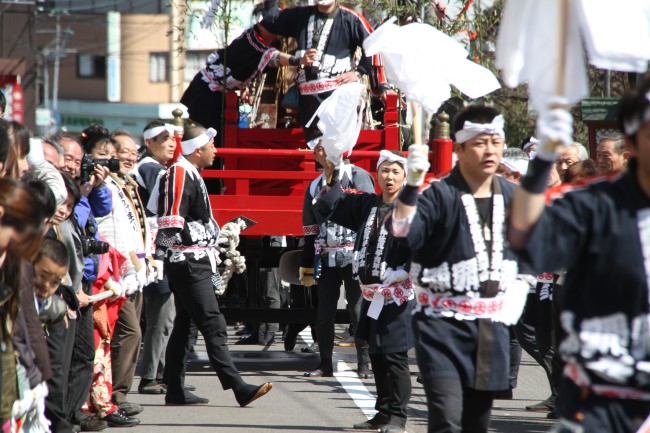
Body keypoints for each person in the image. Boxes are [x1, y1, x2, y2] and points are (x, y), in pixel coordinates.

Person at [508, 81, 650, 433]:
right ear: (631, 142)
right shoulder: (590, 202)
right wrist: (542, 162)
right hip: (600, 392)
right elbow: (525, 238)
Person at [387, 106, 532, 433]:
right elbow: (402, 231)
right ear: (460, 147)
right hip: (441, 327)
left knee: (476, 424)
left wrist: (523, 281)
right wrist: (411, 185)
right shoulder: (439, 194)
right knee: (447, 418)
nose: (490, 150)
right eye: (480, 143)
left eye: (496, 142)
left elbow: (537, 244)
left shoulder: (512, 195)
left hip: (490, 326)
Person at [156, 126, 273, 406]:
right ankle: (237, 386)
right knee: (213, 322)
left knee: (185, 326)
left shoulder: (189, 172)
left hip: (195, 260)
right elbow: (171, 220)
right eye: (212, 145)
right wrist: (158, 255)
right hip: (188, 262)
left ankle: (175, 388)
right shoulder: (180, 172)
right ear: (198, 150)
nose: (216, 150)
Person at [315, 150, 415, 433]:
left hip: (396, 293)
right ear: (377, 175)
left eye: (396, 172)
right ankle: (382, 413)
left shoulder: (411, 207)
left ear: (405, 177)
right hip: (372, 295)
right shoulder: (368, 203)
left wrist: (405, 270)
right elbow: (330, 206)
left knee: (394, 356)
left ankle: (398, 417)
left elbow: (423, 242)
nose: (390, 177)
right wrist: (332, 172)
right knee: (378, 352)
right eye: (385, 171)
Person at [261, 0, 395, 145]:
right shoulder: (300, 15)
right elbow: (270, 19)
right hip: (308, 99)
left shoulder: (351, 18)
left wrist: (358, 73)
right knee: (316, 150)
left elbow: (374, 47)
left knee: (335, 150)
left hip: (337, 96)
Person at [299, 142, 374, 378]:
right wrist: (308, 263)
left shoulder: (357, 176)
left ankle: (364, 363)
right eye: (319, 148)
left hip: (355, 254)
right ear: (315, 154)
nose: (323, 151)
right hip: (326, 255)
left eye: (328, 146)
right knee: (324, 313)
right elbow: (310, 229)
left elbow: (369, 215)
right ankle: (325, 364)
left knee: (357, 309)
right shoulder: (314, 185)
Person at [181, 7, 317, 136]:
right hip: (207, 92)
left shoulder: (255, 37)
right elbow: (273, 57)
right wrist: (299, 60)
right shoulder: (252, 42)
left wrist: (244, 87)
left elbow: (244, 65)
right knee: (206, 137)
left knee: (219, 138)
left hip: (219, 91)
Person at [131, 122, 177, 395]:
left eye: (172, 138)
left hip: (156, 247)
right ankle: (150, 377)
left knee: (165, 314)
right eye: (163, 139)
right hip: (154, 249)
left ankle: (161, 373)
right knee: (162, 314)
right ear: (149, 142)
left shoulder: (153, 168)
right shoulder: (150, 168)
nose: (170, 143)